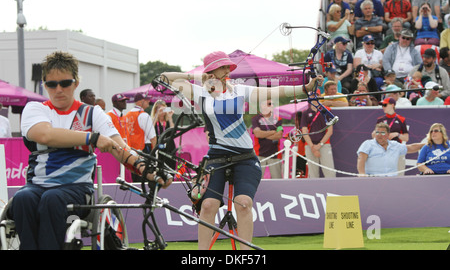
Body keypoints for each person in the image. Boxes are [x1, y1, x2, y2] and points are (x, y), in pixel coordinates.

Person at [161, 51, 322, 250]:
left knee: (243, 202)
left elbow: (276, 92)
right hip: (216, 157)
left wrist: (304, 88)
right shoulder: (200, 92)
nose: (228, 70)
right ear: (212, 70)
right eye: (223, 67)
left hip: (245, 158)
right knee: (208, 206)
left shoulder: (239, 90)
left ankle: (245, 253)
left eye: (228, 67)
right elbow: (165, 79)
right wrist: (198, 76)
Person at [9, 51, 170, 250]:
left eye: (65, 83)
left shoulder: (93, 113)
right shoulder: (35, 109)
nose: (58, 89)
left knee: (52, 199)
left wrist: (148, 170)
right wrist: (91, 138)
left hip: (76, 188)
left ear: (76, 83)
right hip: (37, 186)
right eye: (51, 84)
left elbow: (120, 148)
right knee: (22, 199)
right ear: (44, 84)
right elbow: (45, 136)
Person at [357, 122, 424, 176]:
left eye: (382, 132)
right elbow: (361, 158)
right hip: (372, 180)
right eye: (377, 132)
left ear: (388, 135)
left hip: (391, 181)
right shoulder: (368, 144)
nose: (379, 135)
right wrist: (362, 173)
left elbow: (410, 147)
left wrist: (427, 144)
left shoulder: (395, 145)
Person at [300, 100, 335, 178]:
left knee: (330, 172)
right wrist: (313, 147)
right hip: (310, 145)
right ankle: (313, 190)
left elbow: (330, 131)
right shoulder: (305, 113)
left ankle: (332, 189)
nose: (314, 99)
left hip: (324, 144)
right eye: (312, 96)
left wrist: (319, 145)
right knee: (312, 174)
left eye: (316, 96)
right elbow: (304, 131)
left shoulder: (326, 111)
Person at [374, 97, 410, 175]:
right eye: (382, 105)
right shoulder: (380, 119)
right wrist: (381, 134)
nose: (383, 107)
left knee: (399, 176)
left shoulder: (401, 119)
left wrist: (397, 134)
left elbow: (406, 138)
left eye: (385, 105)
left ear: (392, 105)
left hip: (397, 151)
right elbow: (373, 135)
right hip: (383, 151)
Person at [251, 99, 283, 179]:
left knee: (277, 179)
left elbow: (279, 135)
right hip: (260, 153)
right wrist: (272, 132)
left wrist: (263, 134)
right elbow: (257, 134)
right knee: (257, 179)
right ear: (262, 105)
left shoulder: (278, 119)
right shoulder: (255, 119)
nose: (272, 105)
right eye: (269, 104)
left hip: (275, 154)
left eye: (272, 104)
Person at [150, 99, 176, 170]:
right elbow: (150, 130)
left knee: (170, 168)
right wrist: (156, 115)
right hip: (158, 149)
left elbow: (173, 132)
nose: (162, 112)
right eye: (159, 109)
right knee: (159, 169)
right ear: (155, 110)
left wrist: (170, 118)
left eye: (164, 109)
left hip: (169, 149)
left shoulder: (167, 122)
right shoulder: (153, 121)